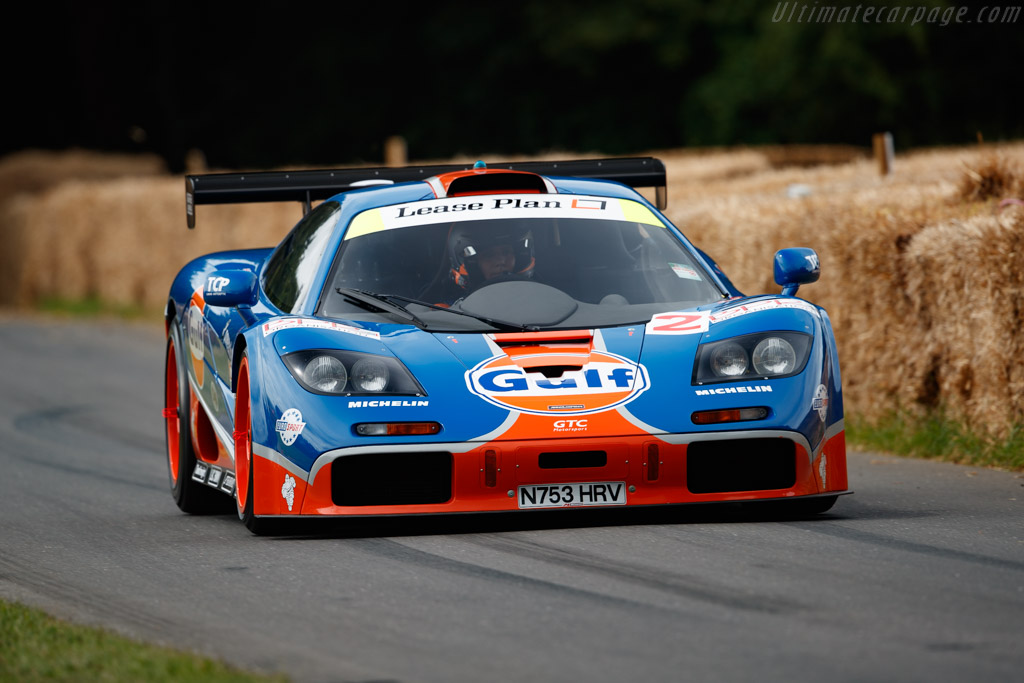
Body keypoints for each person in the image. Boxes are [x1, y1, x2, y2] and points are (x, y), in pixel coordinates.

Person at [421, 222, 535, 304]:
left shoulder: (540, 296)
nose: (501, 261)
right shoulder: (447, 311)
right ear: (472, 263)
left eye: (506, 252)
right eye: (489, 255)